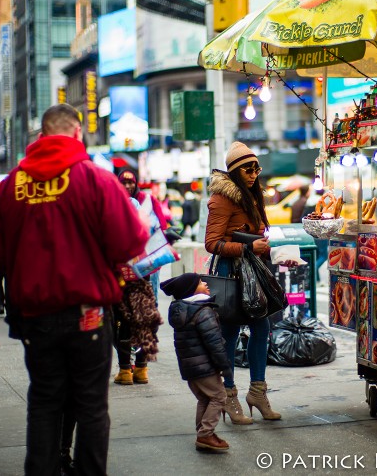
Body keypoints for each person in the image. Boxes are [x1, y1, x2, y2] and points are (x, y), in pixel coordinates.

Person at [0, 104, 148, 475]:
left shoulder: (11, 186)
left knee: (44, 402)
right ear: (77, 133)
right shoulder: (96, 179)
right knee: (91, 405)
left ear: (41, 137)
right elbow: (130, 242)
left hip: (35, 317)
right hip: (87, 314)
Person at [205, 141, 280, 425]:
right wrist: (247, 247)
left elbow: (253, 234)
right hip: (231, 272)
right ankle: (228, 395)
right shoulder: (222, 198)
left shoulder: (252, 195)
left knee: (262, 327)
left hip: (253, 270)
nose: (253, 174)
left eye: (256, 168)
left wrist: (268, 249)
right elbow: (212, 243)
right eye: (248, 169)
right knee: (230, 332)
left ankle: (257, 393)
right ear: (235, 171)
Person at [163, 272, 232, 452]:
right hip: (205, 366)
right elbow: (214, 343)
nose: (206, 284)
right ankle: (206, 434)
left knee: (204, 398)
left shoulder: (182, 311)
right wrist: (224, 367)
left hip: (190, 368)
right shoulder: (203, 311)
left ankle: (202, 433)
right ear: (191, 290)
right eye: (201, 282)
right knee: (219, 396)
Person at [111, 176, 162, 386]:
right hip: (144, 271)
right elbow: (156, 232)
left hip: (122, 274)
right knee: (143, 319)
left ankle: (125, 370)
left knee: (121, 322)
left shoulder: (115, 208)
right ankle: (141, 369)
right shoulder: (143, 208)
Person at [118, 171, 170, 293]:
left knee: (151, 296)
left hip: (149, 256)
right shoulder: (116, 200)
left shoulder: (147, 199)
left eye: (130, 182)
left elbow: (161, 226)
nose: (127, 186)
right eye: (123, 183)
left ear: (135, 184)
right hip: (127, 261)